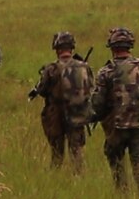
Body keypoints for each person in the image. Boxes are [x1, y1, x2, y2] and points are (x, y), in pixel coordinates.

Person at [90, 27, 139, 196]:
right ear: (130, 46)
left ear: (112, 47)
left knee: (117, 166)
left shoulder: (106, 72)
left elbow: (98, 103)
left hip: (115, 128)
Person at [28, 31, 93, 172]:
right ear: (71, 48)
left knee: (57, 152)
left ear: (57, 49)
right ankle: (79, 178)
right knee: (77, 151)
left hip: (55, 115)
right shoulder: (84, 67)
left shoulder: (51, 69)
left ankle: (55, 176)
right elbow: (90, 88)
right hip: (77, 113)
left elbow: (43, 90)